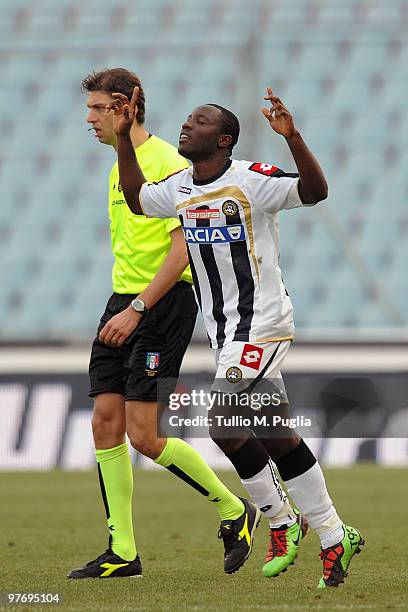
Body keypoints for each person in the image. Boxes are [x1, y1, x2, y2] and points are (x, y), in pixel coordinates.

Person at [106, 84, 365, 589]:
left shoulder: (253, 180)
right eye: (187, 119)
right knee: (277, 436)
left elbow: (315, 193)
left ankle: (282, 520)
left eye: (200, 122)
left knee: (222, 421)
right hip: (225, 332)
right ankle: (336, 536)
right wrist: (123, 141)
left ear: (224, 140)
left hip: (264, 323)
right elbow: (138, 201)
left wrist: (294, 139)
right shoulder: (181, 187)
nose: (187, 125)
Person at [67, 68, 262, 580]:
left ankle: (234, 509)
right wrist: (124, 305)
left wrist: (139, 309)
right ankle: (123, 552)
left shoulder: (168, 163)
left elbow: (183, 246)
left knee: (144, 436)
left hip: (161, 305)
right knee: (104, 423)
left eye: (97, 108)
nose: (89, 118)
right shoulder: (122, 163)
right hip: (122, 300)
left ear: (127, 106)